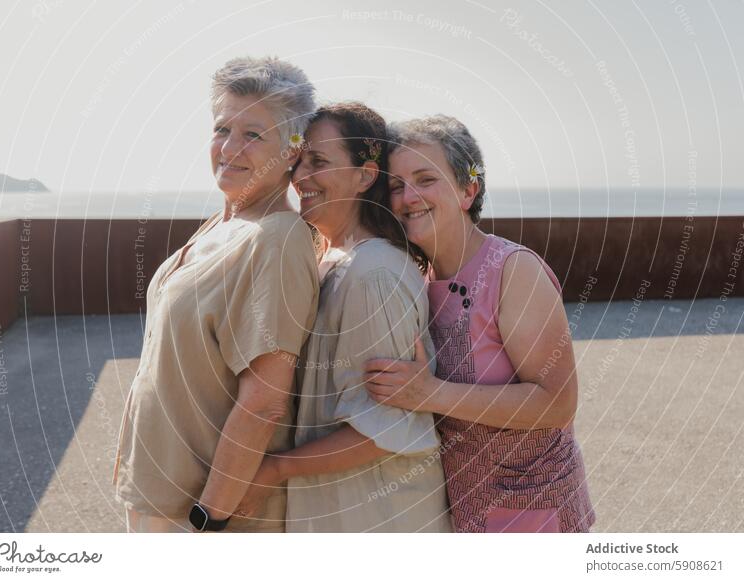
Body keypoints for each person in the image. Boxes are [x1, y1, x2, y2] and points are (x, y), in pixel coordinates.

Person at [113, 56, 319, 533]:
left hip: (198, 513)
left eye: (253, 134)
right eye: (221, 128)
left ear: (292, 151)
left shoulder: (276, 239)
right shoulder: (221, 223)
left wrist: (210, 517)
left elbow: (264, 401)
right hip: (157, 492)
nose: (229, 147)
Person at [363, 115, 595, 533]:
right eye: (396, 186)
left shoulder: (513, 272)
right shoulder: (416, 281)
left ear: (468, 190)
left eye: (424, 178)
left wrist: (430, 394)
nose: (408, 196)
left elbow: (558, 404)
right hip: (464, 515)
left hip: (534, 517)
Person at [234, 103, 451, 532]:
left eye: (318, 162)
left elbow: (382, 430)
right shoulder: (330, 259)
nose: (299, 178)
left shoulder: (374, 275)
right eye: (298, 162)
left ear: (365, 175)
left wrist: (273, 470)